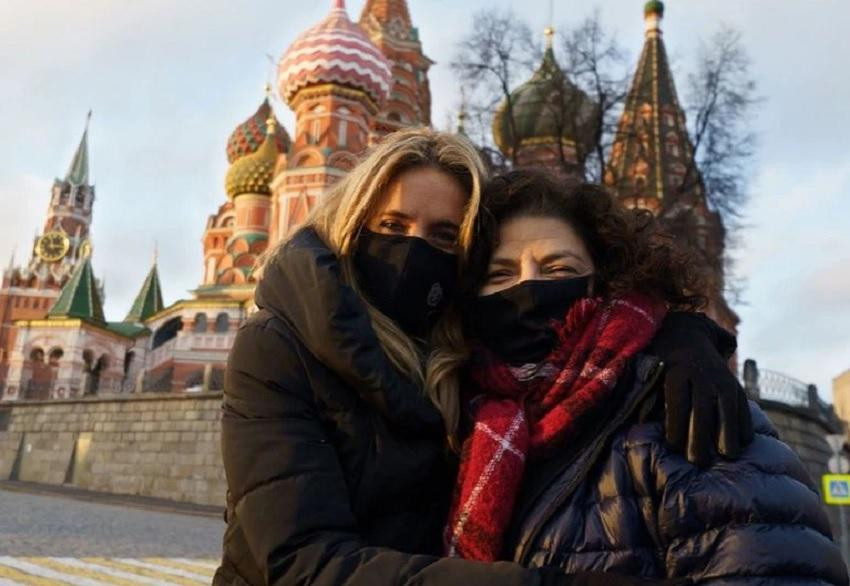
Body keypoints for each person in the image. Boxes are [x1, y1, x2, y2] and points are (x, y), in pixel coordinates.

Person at [214, 128, 753, 586]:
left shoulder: (470, 363)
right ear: (352, 225)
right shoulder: (280, 346)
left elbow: (594, 337)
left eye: (444, 235)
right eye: (393, 226)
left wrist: (681, 333)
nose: (414, 250)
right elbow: (298, 562)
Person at [443, 170, 848, 585]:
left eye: (559, 268)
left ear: (605, 282)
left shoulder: (685, 403)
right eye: (500, 274)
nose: (528, 286)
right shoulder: (454, 415)